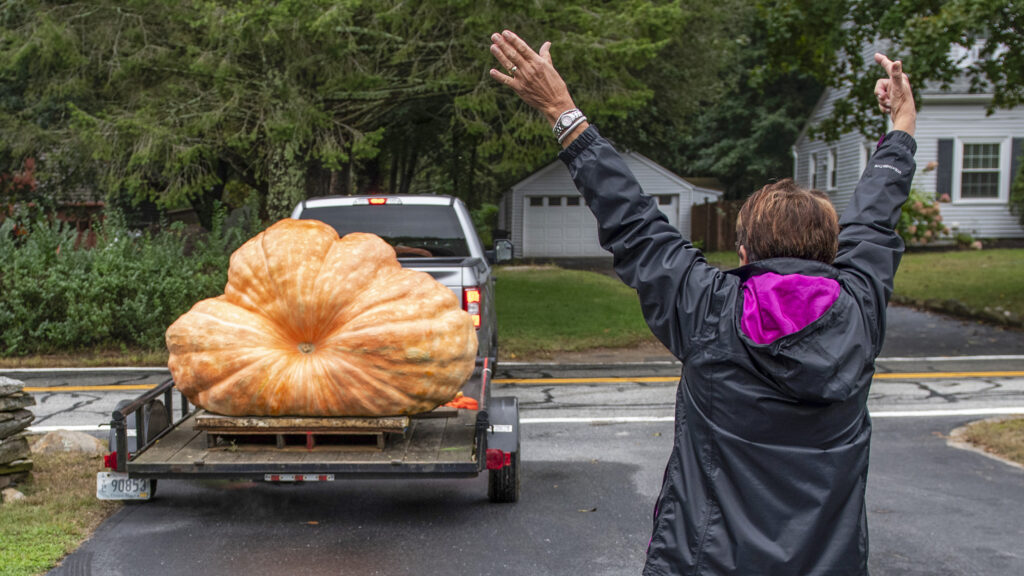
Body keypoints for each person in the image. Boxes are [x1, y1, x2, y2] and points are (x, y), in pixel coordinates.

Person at [489, 30, 917, 575]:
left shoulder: (710, 309)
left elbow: (635, 223)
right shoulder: (859, 310)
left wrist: (562, 110)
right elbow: (875, 219)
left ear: (743, 249)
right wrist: (901, 127)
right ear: (834, 253)